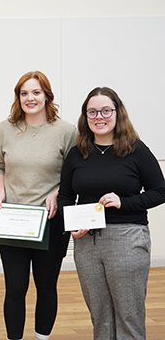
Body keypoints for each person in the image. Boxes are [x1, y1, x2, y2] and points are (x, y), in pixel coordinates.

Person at [57, 87, 165, 340]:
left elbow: (160, 191)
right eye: (92, 111)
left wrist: (123, 202)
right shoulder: (77, 153)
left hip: (127, 238)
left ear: (117, 113)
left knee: (128, 314)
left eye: (106, 110)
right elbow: (64, 196)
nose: (99, 117)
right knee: (100, 315)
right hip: (87, 242)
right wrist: (71, 222)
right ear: (85, 116)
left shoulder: (136, 150)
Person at [0, 71, 76, 340]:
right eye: (24, 93)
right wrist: (1, 192)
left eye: (36, 92)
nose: (30, 98)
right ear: (18, 97)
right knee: (15, 288)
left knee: (46, 286)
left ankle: (42, 338)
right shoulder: (4, 128)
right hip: (14, 221)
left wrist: (57, 193)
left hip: (50, 222)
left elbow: (76, 173)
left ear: (47, 95)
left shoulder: (66, 131)